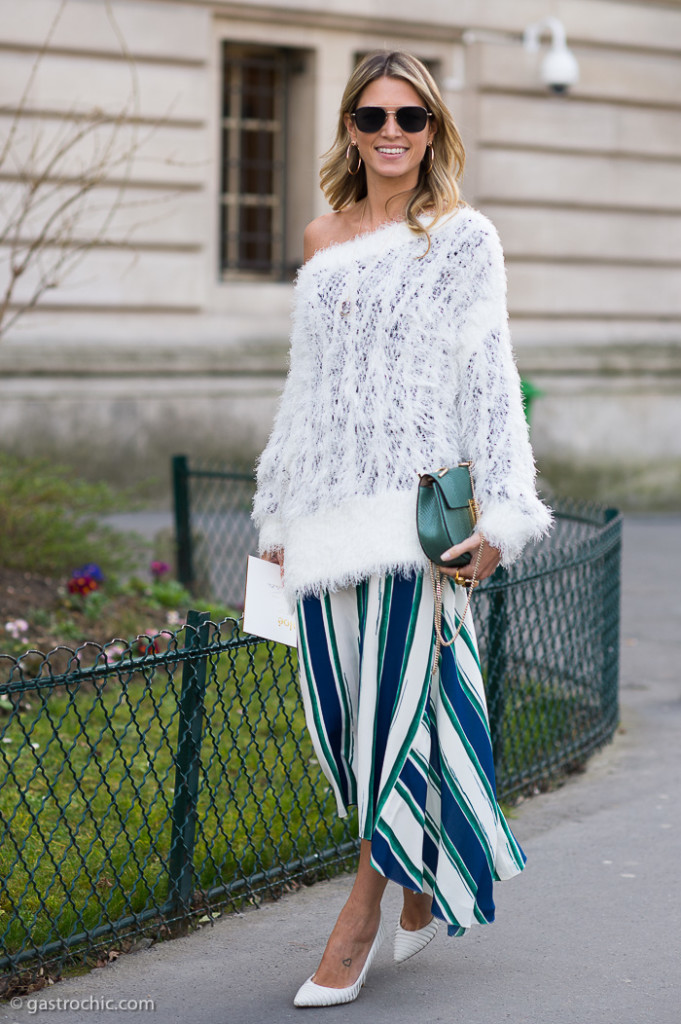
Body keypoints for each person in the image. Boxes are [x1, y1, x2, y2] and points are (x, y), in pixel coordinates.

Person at [251, 50, 552, 1008]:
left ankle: (358, 920)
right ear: (348, 127)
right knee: (352, 730)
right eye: (372, 115)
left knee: (400, 716)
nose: (391, 132)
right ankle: (422, 871)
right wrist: (276, 512)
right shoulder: (320, 237)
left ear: (433, 132)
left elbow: (489, 382)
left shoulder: (463, 240)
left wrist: (503, 513)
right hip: (327, 520)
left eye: (410, 118)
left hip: (419, 524)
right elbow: (308, 393)